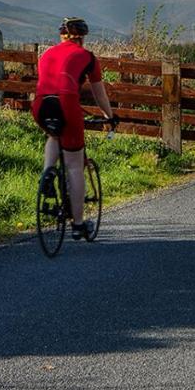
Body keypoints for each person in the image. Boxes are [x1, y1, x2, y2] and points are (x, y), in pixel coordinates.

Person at [32, 17, 116, 238]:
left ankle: (47, 173)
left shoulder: (47, 53)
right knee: (74, 166)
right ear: (83, 37)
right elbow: (99, 94)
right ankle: (78, 225)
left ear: (61, 36)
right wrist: (110, 116)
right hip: (66, 102)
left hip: (41, 103)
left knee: (53, 134)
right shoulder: (87, 57)